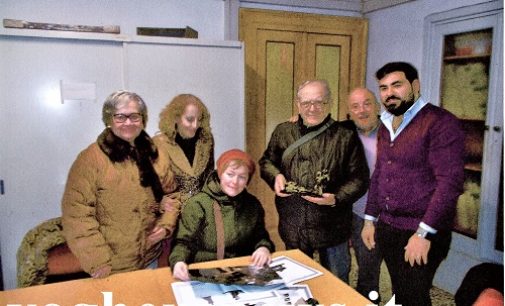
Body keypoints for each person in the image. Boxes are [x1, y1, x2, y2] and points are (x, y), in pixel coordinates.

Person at [361, 62, 465, 306]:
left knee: (413, 295)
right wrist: (369, 219)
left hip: (421, 230)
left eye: (397, 85)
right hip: (388, 227)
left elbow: (450, 184)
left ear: (415, 85)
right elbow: (380, 174)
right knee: (402, 291)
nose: (389, 93)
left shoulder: (440, 122)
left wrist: (423, 233)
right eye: (383, 88)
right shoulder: (387, 123)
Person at [259, 79, 369, 283]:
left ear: (329, 103)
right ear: (298, 104)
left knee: (336, 282)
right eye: (306, 103)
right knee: (298, 282)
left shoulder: (345, 136)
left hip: (332, 225)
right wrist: (276, 176)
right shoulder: (283, 131)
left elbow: (360, 178)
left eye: (319, 102)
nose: (312, 108)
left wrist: (336, 198)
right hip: (294, 223)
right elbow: (266, 161)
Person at [61, 90, 180, 279]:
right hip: (111, 266)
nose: (128, 123)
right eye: (120, 117)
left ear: (143, 119)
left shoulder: (156, 154)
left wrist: (166, 225)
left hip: (150, 257)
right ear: (108, 120)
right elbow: (77, 216)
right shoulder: (90, 160)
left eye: (134, 116)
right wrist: (97, 261)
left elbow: (173, 195)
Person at [170, 149, 274, 281]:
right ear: (220, 174)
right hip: (205, 271)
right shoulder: (197, 204)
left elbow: (261, 236)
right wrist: (178, 262)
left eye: (242, 177)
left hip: (241, 270)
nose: (235, 182)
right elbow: (182, 243)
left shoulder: (253, 205)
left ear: (247, 180)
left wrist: (263, 248)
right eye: (230, 174)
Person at [153, 94, 215, 265]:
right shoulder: (158, 144)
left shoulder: (206, 140)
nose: (195, 125)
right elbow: (147, 187)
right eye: (189, 119)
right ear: (175, 118)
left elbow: (209, 175)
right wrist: (160, 201)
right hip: (173, 216)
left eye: (199, 120)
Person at [343, 88, 383, 301]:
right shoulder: (345, 132)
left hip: (389, 216)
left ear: (377, 106)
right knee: (367, 270)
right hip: (359, 212)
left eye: (367, 103)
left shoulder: (393, 132)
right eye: (355, 106)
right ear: (349, 113)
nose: (362, 110)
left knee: (400, 276)